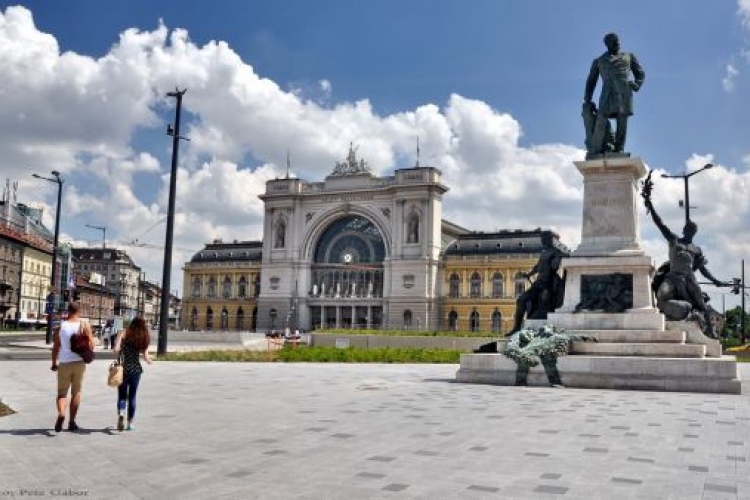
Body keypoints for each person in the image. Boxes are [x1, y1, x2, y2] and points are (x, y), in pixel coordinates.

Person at [584, 33, 645, 157]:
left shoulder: (629, 56)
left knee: (622, 120)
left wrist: (637, 84)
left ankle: (619, 149)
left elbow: (640, 74)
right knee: (601, 118)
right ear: (607, 44)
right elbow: (591, 80)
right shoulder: (599, 61)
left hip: (624, 92)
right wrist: (587, 97)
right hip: (607, 93)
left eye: (617, 40)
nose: (617, 43)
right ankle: (596, 149)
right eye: (613, 41)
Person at [508, 232, 567, 335]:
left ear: (549, 240)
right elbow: (538, 266)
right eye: (542, 240)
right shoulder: (544, 253)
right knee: (521, 300)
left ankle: (546, 326)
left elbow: (554, 266)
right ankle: (516, 327)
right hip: (538, 283)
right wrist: (529, 274)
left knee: (544, 301)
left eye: (544, 240)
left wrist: (558, 258)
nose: (543, 242)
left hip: (549, 283)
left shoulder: (556, 252)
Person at [50, 302, 94, 432]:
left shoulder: (61, 327)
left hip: (64, 362)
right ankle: (71, 422)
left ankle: (61, 413)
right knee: (76, 393)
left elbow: (55, 347)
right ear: (79, 311)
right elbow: (91, 346)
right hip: (79, 363)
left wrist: (54, 363)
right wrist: (88, 335)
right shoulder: (84, 325)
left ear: (67, 312)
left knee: (62, 393)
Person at [113, 317, 153, 431]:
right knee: (132, 397)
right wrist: (150, 360)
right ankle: (130, 424)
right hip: (136, 370)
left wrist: (119, 349)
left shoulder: (124, 333)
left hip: (123, 369)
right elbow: (146, 357)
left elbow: (116, 349)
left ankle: (121, 413)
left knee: (122, 395)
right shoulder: (143, 337)